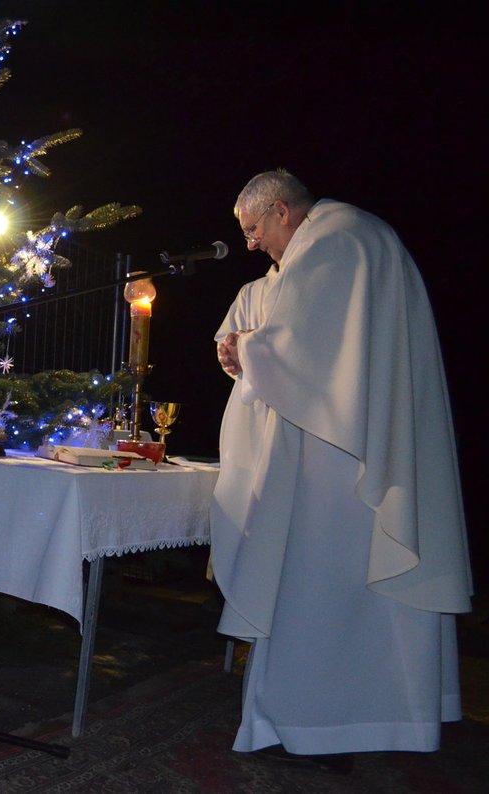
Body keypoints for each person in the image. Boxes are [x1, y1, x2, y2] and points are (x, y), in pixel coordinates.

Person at [210, 169, 472, 764]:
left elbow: (302, 346)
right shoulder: (344, 239)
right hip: (352, 437)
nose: (251, 244)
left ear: (280, 210)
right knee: (351, 587)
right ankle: (378, 718)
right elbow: (302, 341)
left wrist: (249, 348)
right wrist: (242, 350)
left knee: (314, 579)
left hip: (335, 452)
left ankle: (310, 724)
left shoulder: (336, 237)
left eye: (253, 230)